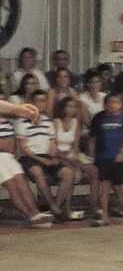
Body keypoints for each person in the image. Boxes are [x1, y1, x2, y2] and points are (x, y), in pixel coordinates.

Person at [15, 90, 77, 220]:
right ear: (32, 103)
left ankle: (56, 208)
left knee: (68, 173)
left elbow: (52, 144)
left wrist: (53, 157)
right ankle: (53, 206)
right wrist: (42, 160)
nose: (41, 104)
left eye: (43, 100)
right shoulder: (22, 121)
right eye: (38, 101)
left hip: (47, 156)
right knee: (38, 172)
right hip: (30, 158)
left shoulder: (48, 121)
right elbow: (23, 149)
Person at [89, 93, 123, 226]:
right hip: (103, 157)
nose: (113, 105)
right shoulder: (98, 118)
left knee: (122, 186)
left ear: (120, 104)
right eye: (110, 102)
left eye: (116, 102)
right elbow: (93, 139)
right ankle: (104, 215)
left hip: (119, 158)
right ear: (105, 104)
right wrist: (92, 156)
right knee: (105, 186)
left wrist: (121, 153)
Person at [0, 98, 53, 228]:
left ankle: (36, 214)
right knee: (12, 185)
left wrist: (20, 109)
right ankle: (29, 216)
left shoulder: (8, 121)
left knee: (21, 181)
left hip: (8, 156)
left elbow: (11, 143)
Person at [53, 97, 100, 220]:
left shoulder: (76, 123)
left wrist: (76, 160)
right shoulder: (56, 122)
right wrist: (68, 160)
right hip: (57, 155)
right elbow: (53, 147)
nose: (72, 109)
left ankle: (94, 204)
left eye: (74, 106)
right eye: (69, 106)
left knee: (94, 171)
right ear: (63, 108)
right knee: (73, 173)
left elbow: (76, 146)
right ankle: (65, 208)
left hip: (72, 155)